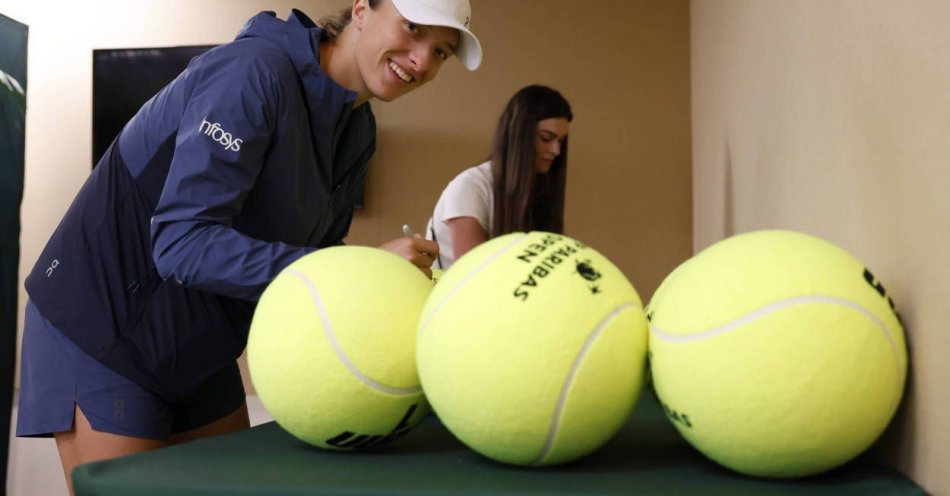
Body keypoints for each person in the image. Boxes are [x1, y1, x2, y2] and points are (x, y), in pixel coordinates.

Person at [16, 1, 482, 494]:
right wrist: (361, 266)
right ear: (362, 9)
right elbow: (181, 242)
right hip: (103, 327)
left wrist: (386, 290)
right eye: (413, 30)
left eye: (442, 52)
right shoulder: (251, 72)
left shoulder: (358, 129)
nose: (422, 61)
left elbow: (314, 259)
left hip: (199, 344)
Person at [425, 84, 572, 268]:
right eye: (546, 138)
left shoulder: (539, 190)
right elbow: (475, 277)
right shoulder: (470, 187)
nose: (556, 150)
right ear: (519, 135)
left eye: (561, 141)